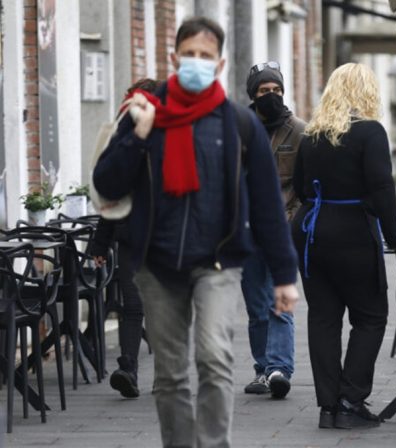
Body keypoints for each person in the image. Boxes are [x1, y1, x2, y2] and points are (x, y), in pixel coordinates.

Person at [92, 17, 299, 447]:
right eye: (190, 55)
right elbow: (107, 184)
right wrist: (139, 136)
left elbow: (266, 203)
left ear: (219, 64)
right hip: (158, 263)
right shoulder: (144, 114)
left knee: (215, 358)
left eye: (206, 57)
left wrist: (284, 276)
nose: (197, 63)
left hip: (218, 261)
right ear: (174, 57)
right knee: (169, 374)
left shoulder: (238, 124)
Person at [291, 63, 396, 430]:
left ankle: (328, 407)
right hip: (353, 232)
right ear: (367, 92)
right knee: (371, 316)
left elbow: (298, 185)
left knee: (323, 318)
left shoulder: (311, 134)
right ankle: (350, 398)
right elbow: (381, 188)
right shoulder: (370, 132)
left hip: (312, 232)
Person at [88, 78, 161, 399]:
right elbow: (110, 198)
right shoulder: (124, 142)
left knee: (151, 307)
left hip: (161, 238)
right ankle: (128, 368)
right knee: (135, 305)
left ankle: (161, 374)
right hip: (135, 236)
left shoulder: (165, 139)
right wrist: (100, 244)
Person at [240, 61, 306, 398]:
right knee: (256, 304)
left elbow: (306, 184)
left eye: (276, 90)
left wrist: (296, 218)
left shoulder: (299, 131)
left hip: (283, 230)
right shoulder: (239, 128)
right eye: (265, 91)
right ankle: (263, 367)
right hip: (249, 230)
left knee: (280, 299)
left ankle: (280, 368)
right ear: (252, 94)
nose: (271, 96)